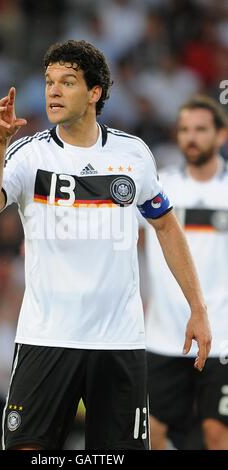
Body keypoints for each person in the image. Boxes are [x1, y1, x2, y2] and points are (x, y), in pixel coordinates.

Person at [0, 40, 211, 451]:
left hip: (118, 341)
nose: (53, 91)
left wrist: (198, 308)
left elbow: (167, 227)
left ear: (95, 92)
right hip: (46, 336)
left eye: (67, 82)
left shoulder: (132, 154)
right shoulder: (29, 153)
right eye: (49, 82)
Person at [143, 96, 228, 450]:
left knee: (216, 434)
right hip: (164, 336)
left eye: (201, 130)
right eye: (184, 130)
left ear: (221, 135)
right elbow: (113, 231)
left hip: (224, 337)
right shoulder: (159, 187)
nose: (191, 137)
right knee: (153, 436)